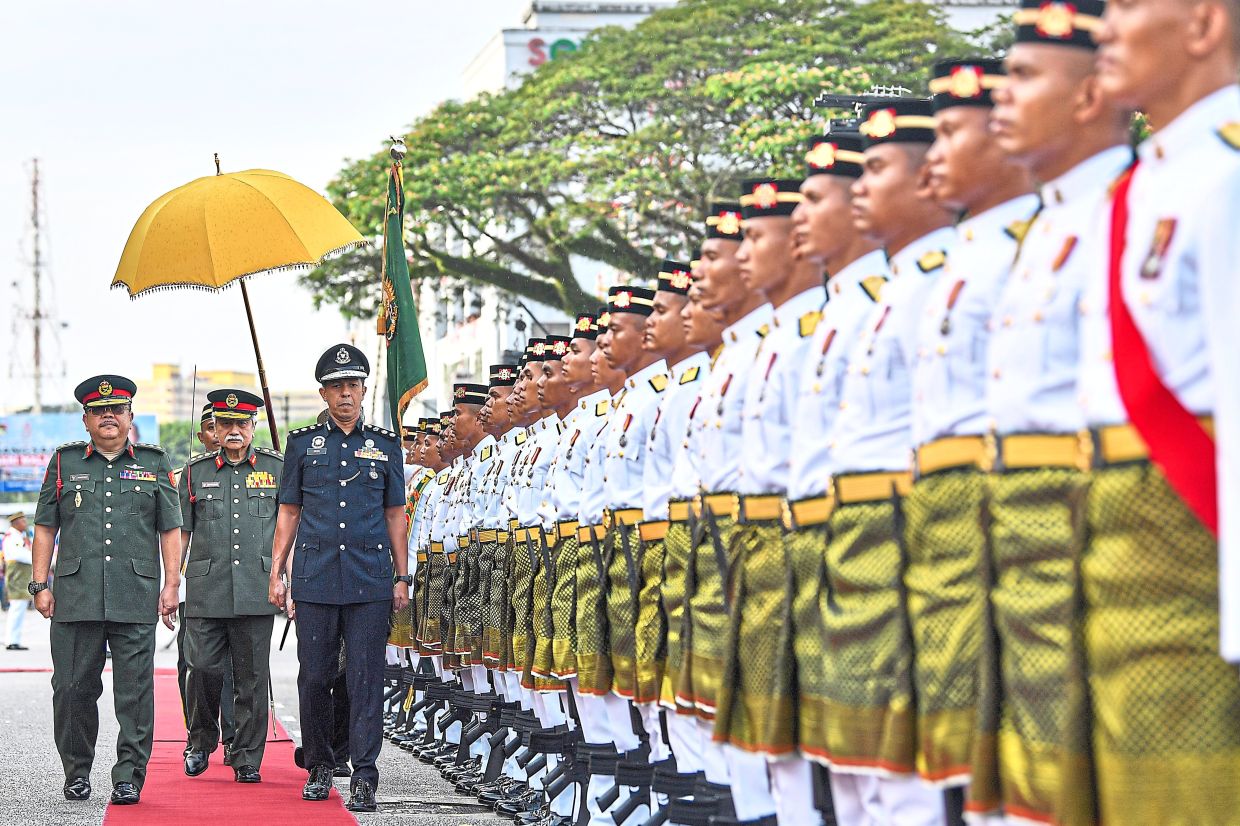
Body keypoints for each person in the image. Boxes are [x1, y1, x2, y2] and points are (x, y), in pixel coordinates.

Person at [1076, 0, 1240, 821]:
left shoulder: (1228, 172)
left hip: (1201, 555)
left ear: (1205, 26)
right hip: (1131, 564)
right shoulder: (1147, 181)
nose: (1104, 28)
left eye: (1128, 7)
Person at [975, 4, 1133, 820]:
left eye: (1024, 77)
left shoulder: (1152, 198)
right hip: (1033, 526)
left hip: (1123, 527)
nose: (1005, 99)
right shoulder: (1045, 230)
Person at [268, 344, 410, 813]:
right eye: (337, 386)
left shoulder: (387, 445)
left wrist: (402, 575)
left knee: (367, 680)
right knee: (314, 678)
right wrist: (277, 571)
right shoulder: (302, 444)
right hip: (315, 576)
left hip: (370, 577)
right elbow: (289, 512)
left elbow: (395, 514)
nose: (346, 394)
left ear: (364, 389)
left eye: (353, 385)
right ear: (324, 393)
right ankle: (321, 765)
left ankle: (365, 774)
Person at [31, 374, 183, 805]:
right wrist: (40, 583)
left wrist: (171, 585)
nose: (109, 417)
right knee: (72, 688)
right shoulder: (64, 463)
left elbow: (169, 529)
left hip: (135, 595)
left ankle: (129, 776)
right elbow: (45, 526)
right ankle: (76, 772)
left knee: (134, 693)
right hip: (74, 597)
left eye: (116, 410)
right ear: (86, 420)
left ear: (130, 416)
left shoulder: (154, 462)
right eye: (99, 412)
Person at [179, 388, 283, 783]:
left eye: (241, 423)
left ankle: (246, 757)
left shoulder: (276, 468)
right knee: (202, 667)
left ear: (253, 426)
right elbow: (181, 533)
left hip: (258, 587)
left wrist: (285, 577)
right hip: (206, 588)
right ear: (215, 428)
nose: (234, 430)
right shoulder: (195, 471)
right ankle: (201, 739)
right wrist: (172, 583)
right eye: (226, 423)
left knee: (252, 677)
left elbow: (286, 527)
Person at [176, 403, 237, 765]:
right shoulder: (186, 475)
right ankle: (197, 734)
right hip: (195, 588)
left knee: (234, 668)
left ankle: (233, 737)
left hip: (238, 586)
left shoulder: (258, 470)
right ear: (203, 436)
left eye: (228, 425)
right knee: (196, 666)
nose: (221, 434)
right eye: (213, 428)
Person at [4, 512, 33, 650]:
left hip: (21, 574)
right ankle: (12, 641)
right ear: (15, 522)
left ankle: (13, 639)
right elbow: (18, 554)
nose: (25, 523)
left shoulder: (19, 535)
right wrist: (36, 558)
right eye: (22, 520)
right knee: (17, 607)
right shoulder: (12, 536)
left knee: (19, 607)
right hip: (17, 574)